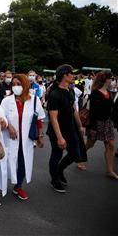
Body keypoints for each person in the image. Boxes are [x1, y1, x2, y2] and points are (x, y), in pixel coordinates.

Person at [1, 74, 45, 200]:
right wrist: (9, 127)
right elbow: (1, 118)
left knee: (23, 162)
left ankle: (18, 186)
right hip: (10, 138)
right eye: (13, 84)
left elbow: (39, 120)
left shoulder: (34, 100)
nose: (15, 87)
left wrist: (40, 136)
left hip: (26, 139)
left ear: (25, 85)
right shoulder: (6, 101)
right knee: (6, 161)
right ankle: (2, 184)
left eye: (18, 84)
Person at [46, 64, 86, 193]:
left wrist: (80, 125)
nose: (74, 76)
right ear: (64, 75)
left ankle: (59, 170)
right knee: (56, 154)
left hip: (71, 127)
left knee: (75, 153)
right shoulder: (55, 94)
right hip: (57, 130)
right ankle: (54, 180)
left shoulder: (70, 90)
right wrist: (59, 137)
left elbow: (73, 109)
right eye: (71, 73)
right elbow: (53, 118)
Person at [85, 72, 117, 179]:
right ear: (105, 80)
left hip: (107, 122)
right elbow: (92, 111)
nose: (112, 80)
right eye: (110, 78)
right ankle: (78, 158)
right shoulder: (95, 93)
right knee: (90, 144)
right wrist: (92, 126)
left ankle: (109, 170)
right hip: (97, 122)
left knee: (110, 145)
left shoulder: (109, 92)